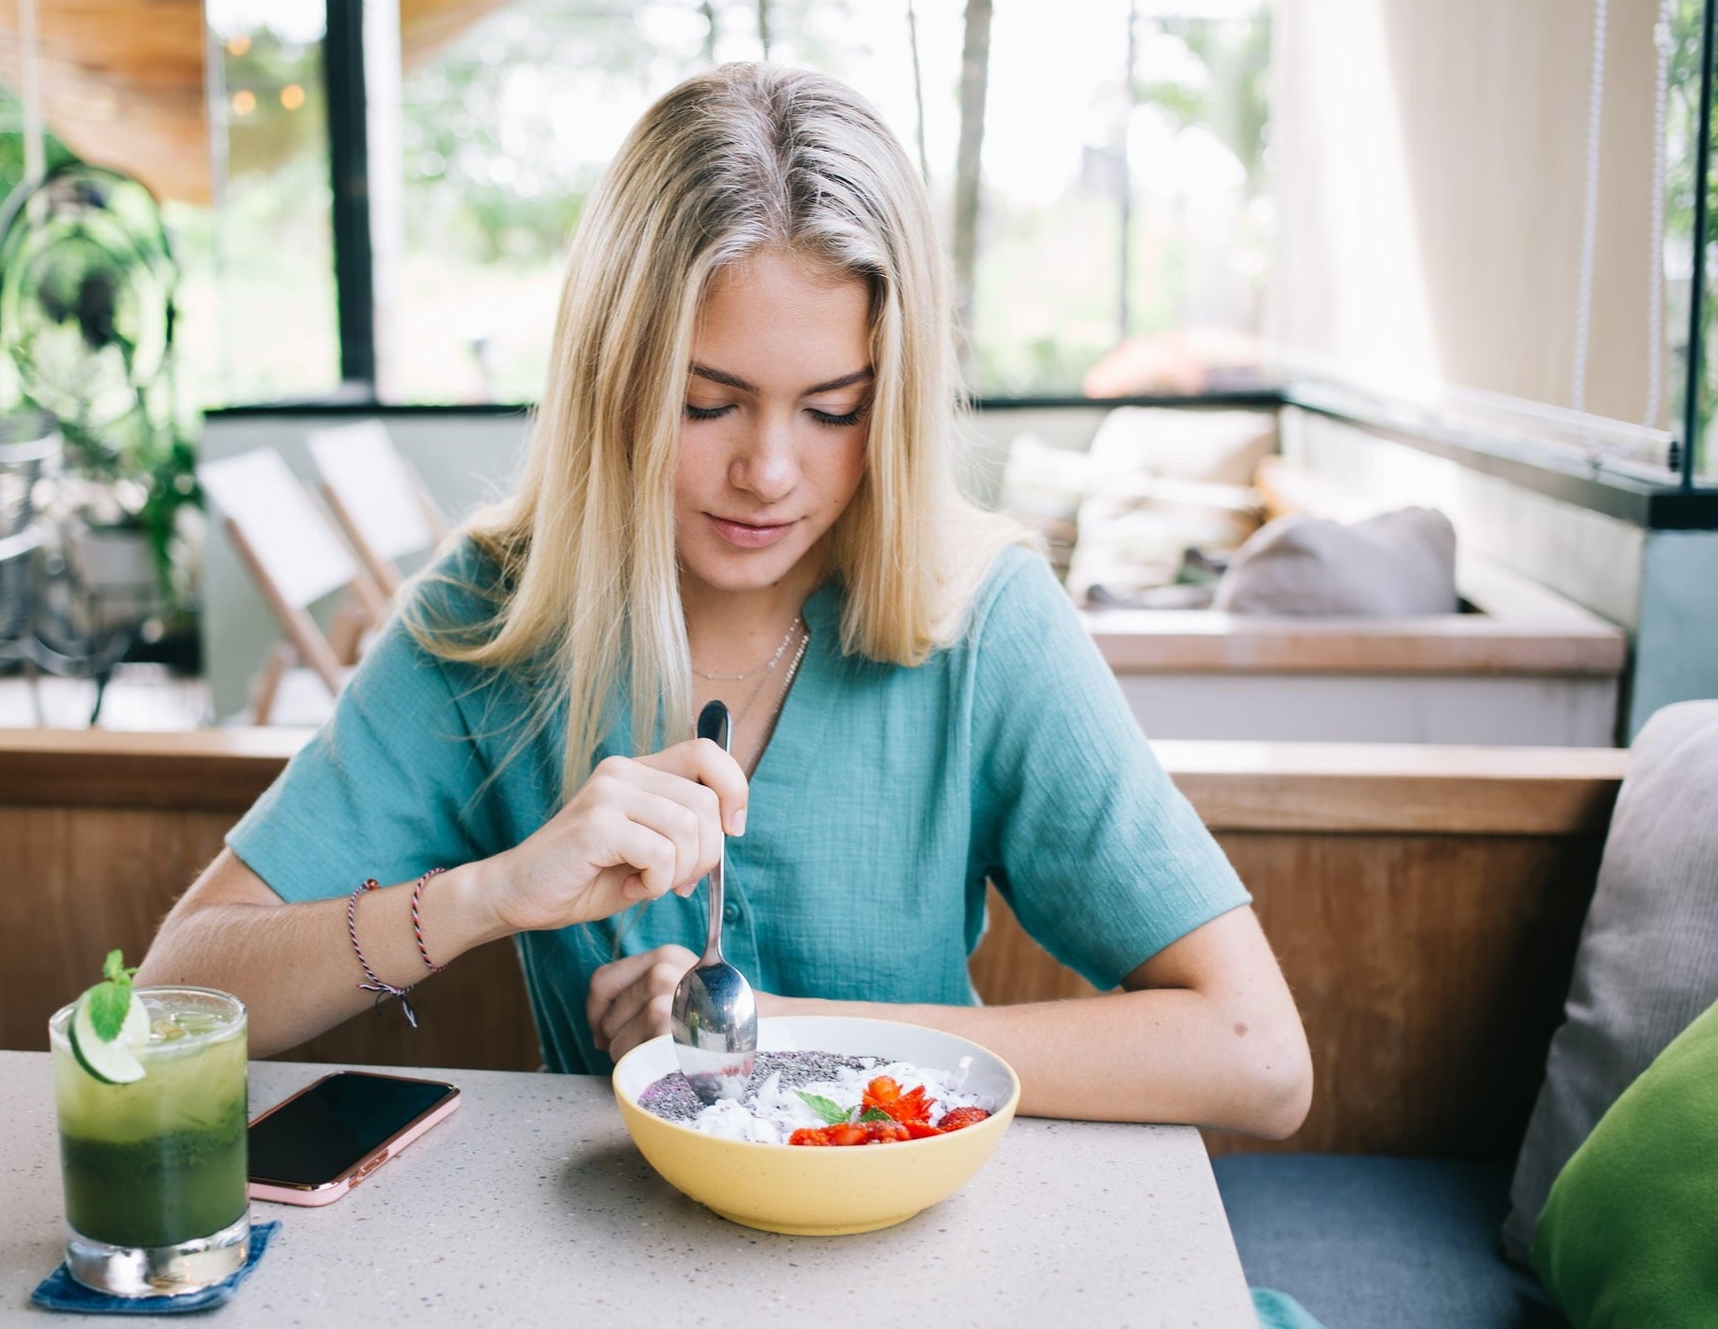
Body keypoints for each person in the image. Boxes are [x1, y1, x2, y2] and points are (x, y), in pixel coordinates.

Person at [142, 64, 1311, 1140]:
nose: (768, 470)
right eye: (707, 404)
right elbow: (169, 1000)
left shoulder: (982, 616)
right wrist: (485, 896)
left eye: (833, 408)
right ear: (616, 378)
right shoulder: (491, 620)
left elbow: (1257, 1058)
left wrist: (783, 1035)